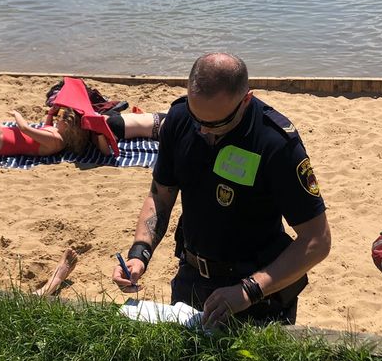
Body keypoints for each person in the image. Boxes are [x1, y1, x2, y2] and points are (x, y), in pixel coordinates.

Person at [112, 52, 331, 327]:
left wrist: (249, 290)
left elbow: (317, 240)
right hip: (191, 279)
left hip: (259, 292)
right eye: (197, 118)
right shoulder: (179, 120)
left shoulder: (275, 143)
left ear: (246, 100)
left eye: (216, 124)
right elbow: (160, 197)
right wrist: (139, 254)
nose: (203, 130)